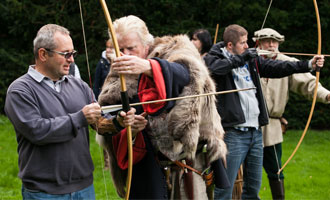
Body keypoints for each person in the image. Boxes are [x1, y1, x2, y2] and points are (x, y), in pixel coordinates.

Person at [95, 15, 228, 199]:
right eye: (120, 49)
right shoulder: (118, 74)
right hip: (146, 170)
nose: (125, 55)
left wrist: (149, 67)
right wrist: (127, 127)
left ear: (146, 45)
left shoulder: (175, 49)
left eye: (131, 48)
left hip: (186, 166)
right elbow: (106, 119)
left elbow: (189, 75)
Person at [4, 24, 136, 199]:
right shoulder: (20, 90)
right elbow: (37, 131)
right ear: (43, 54)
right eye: (65, 54)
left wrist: (119, 122)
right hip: (44, 192)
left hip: (84, 188)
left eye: (72, 54)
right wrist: (80, 118)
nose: (71, 60)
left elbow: (100, 123)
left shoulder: (78, 85)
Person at [203, 24, 325, 200]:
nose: (247, 46)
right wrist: (242, 58)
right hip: (234, 134)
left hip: (255, 133)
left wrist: (308, 64)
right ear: (230, 45)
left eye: (247, 43)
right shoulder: (213, 59)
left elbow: (277, 67)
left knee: (252, 189)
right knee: (224, 190)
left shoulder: (250, 59)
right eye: (243, 43)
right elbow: (213, 69)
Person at [252, 28, 330, 200]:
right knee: (242, 173)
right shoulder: (248, 61)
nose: (271, 45)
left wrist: (326, 94)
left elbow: (309, 84)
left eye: (275, 41)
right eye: (266, 41)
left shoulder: (287, 62)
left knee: (276, 170)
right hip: (248, 126)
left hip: (271, 128)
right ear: (258, 43)